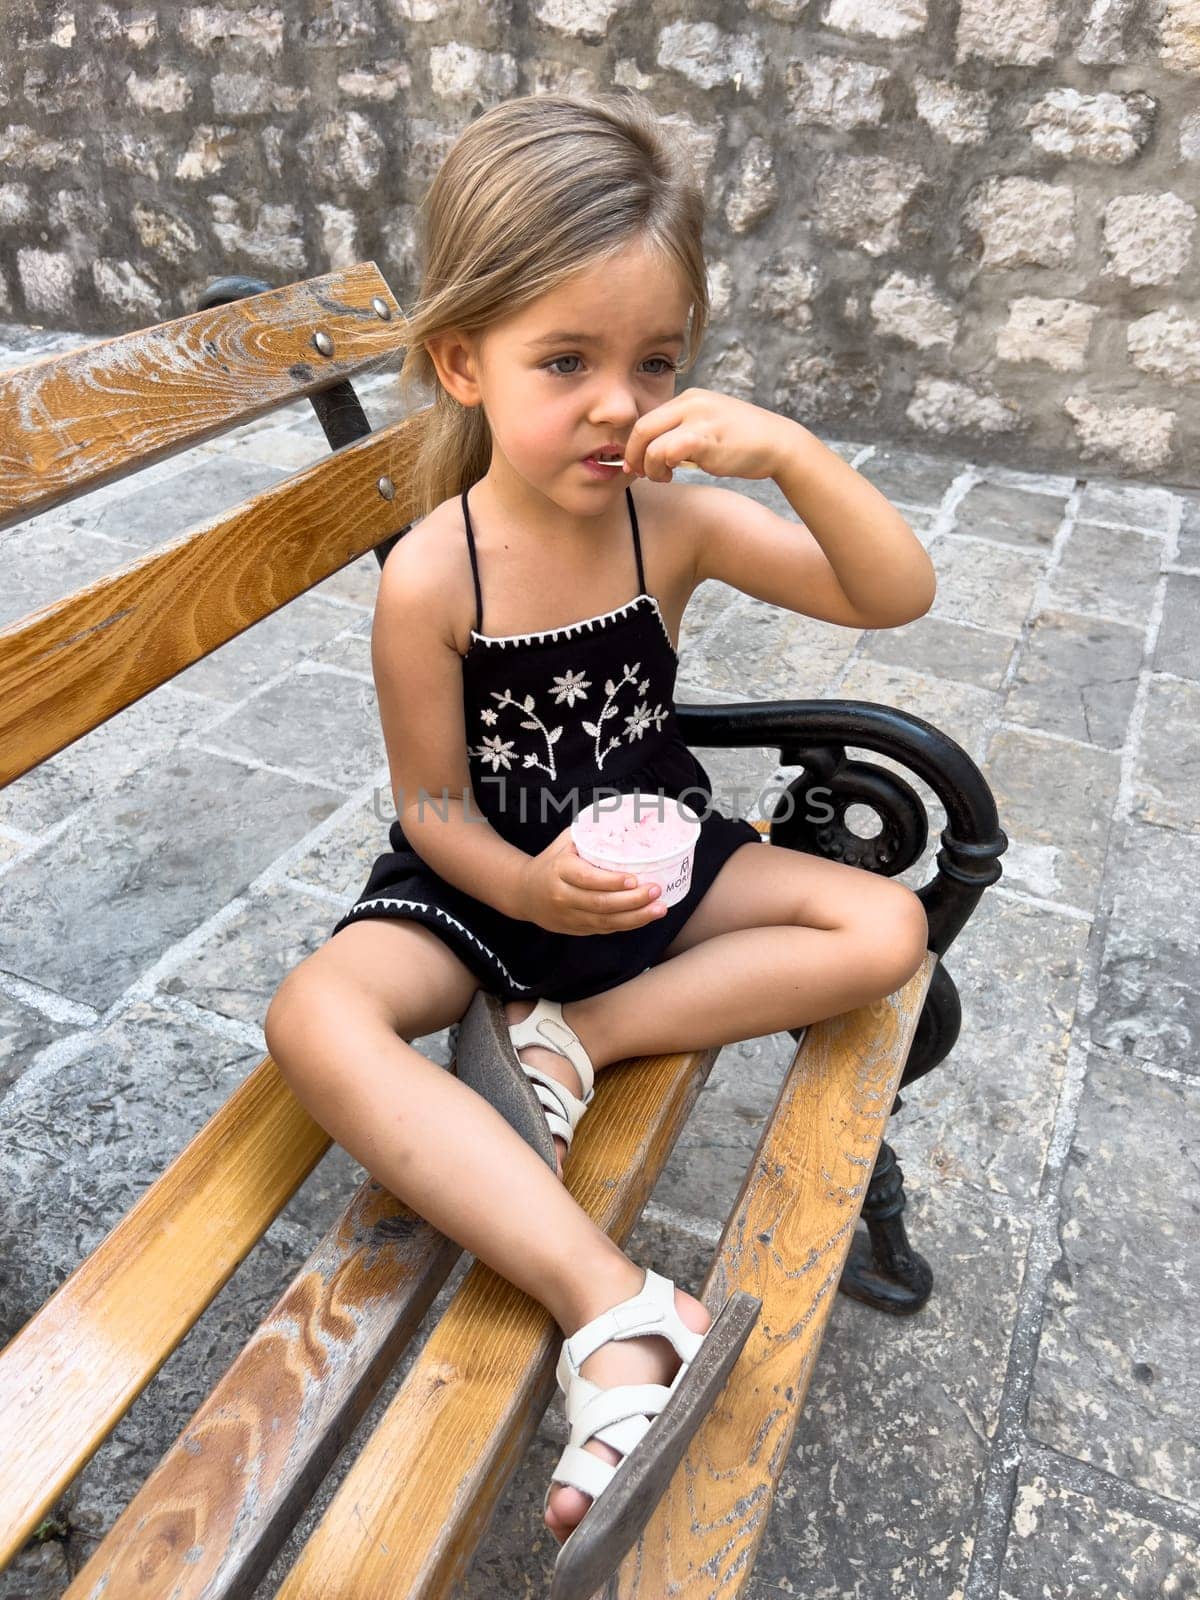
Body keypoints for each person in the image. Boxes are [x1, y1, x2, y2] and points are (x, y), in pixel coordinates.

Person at [264, 88, 934, 1583]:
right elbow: (429, 806)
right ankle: (616, 1308)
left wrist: (791, 453)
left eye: (655, 362)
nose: (618, 404)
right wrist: (521, 887)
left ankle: (584, 1037)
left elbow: (895, 594)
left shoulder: (670, 521)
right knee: (315, 1012)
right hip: (486, 882)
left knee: (884, 926)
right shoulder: (435, 575)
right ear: (463, 362)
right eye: (565, 362)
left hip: (654, 855)